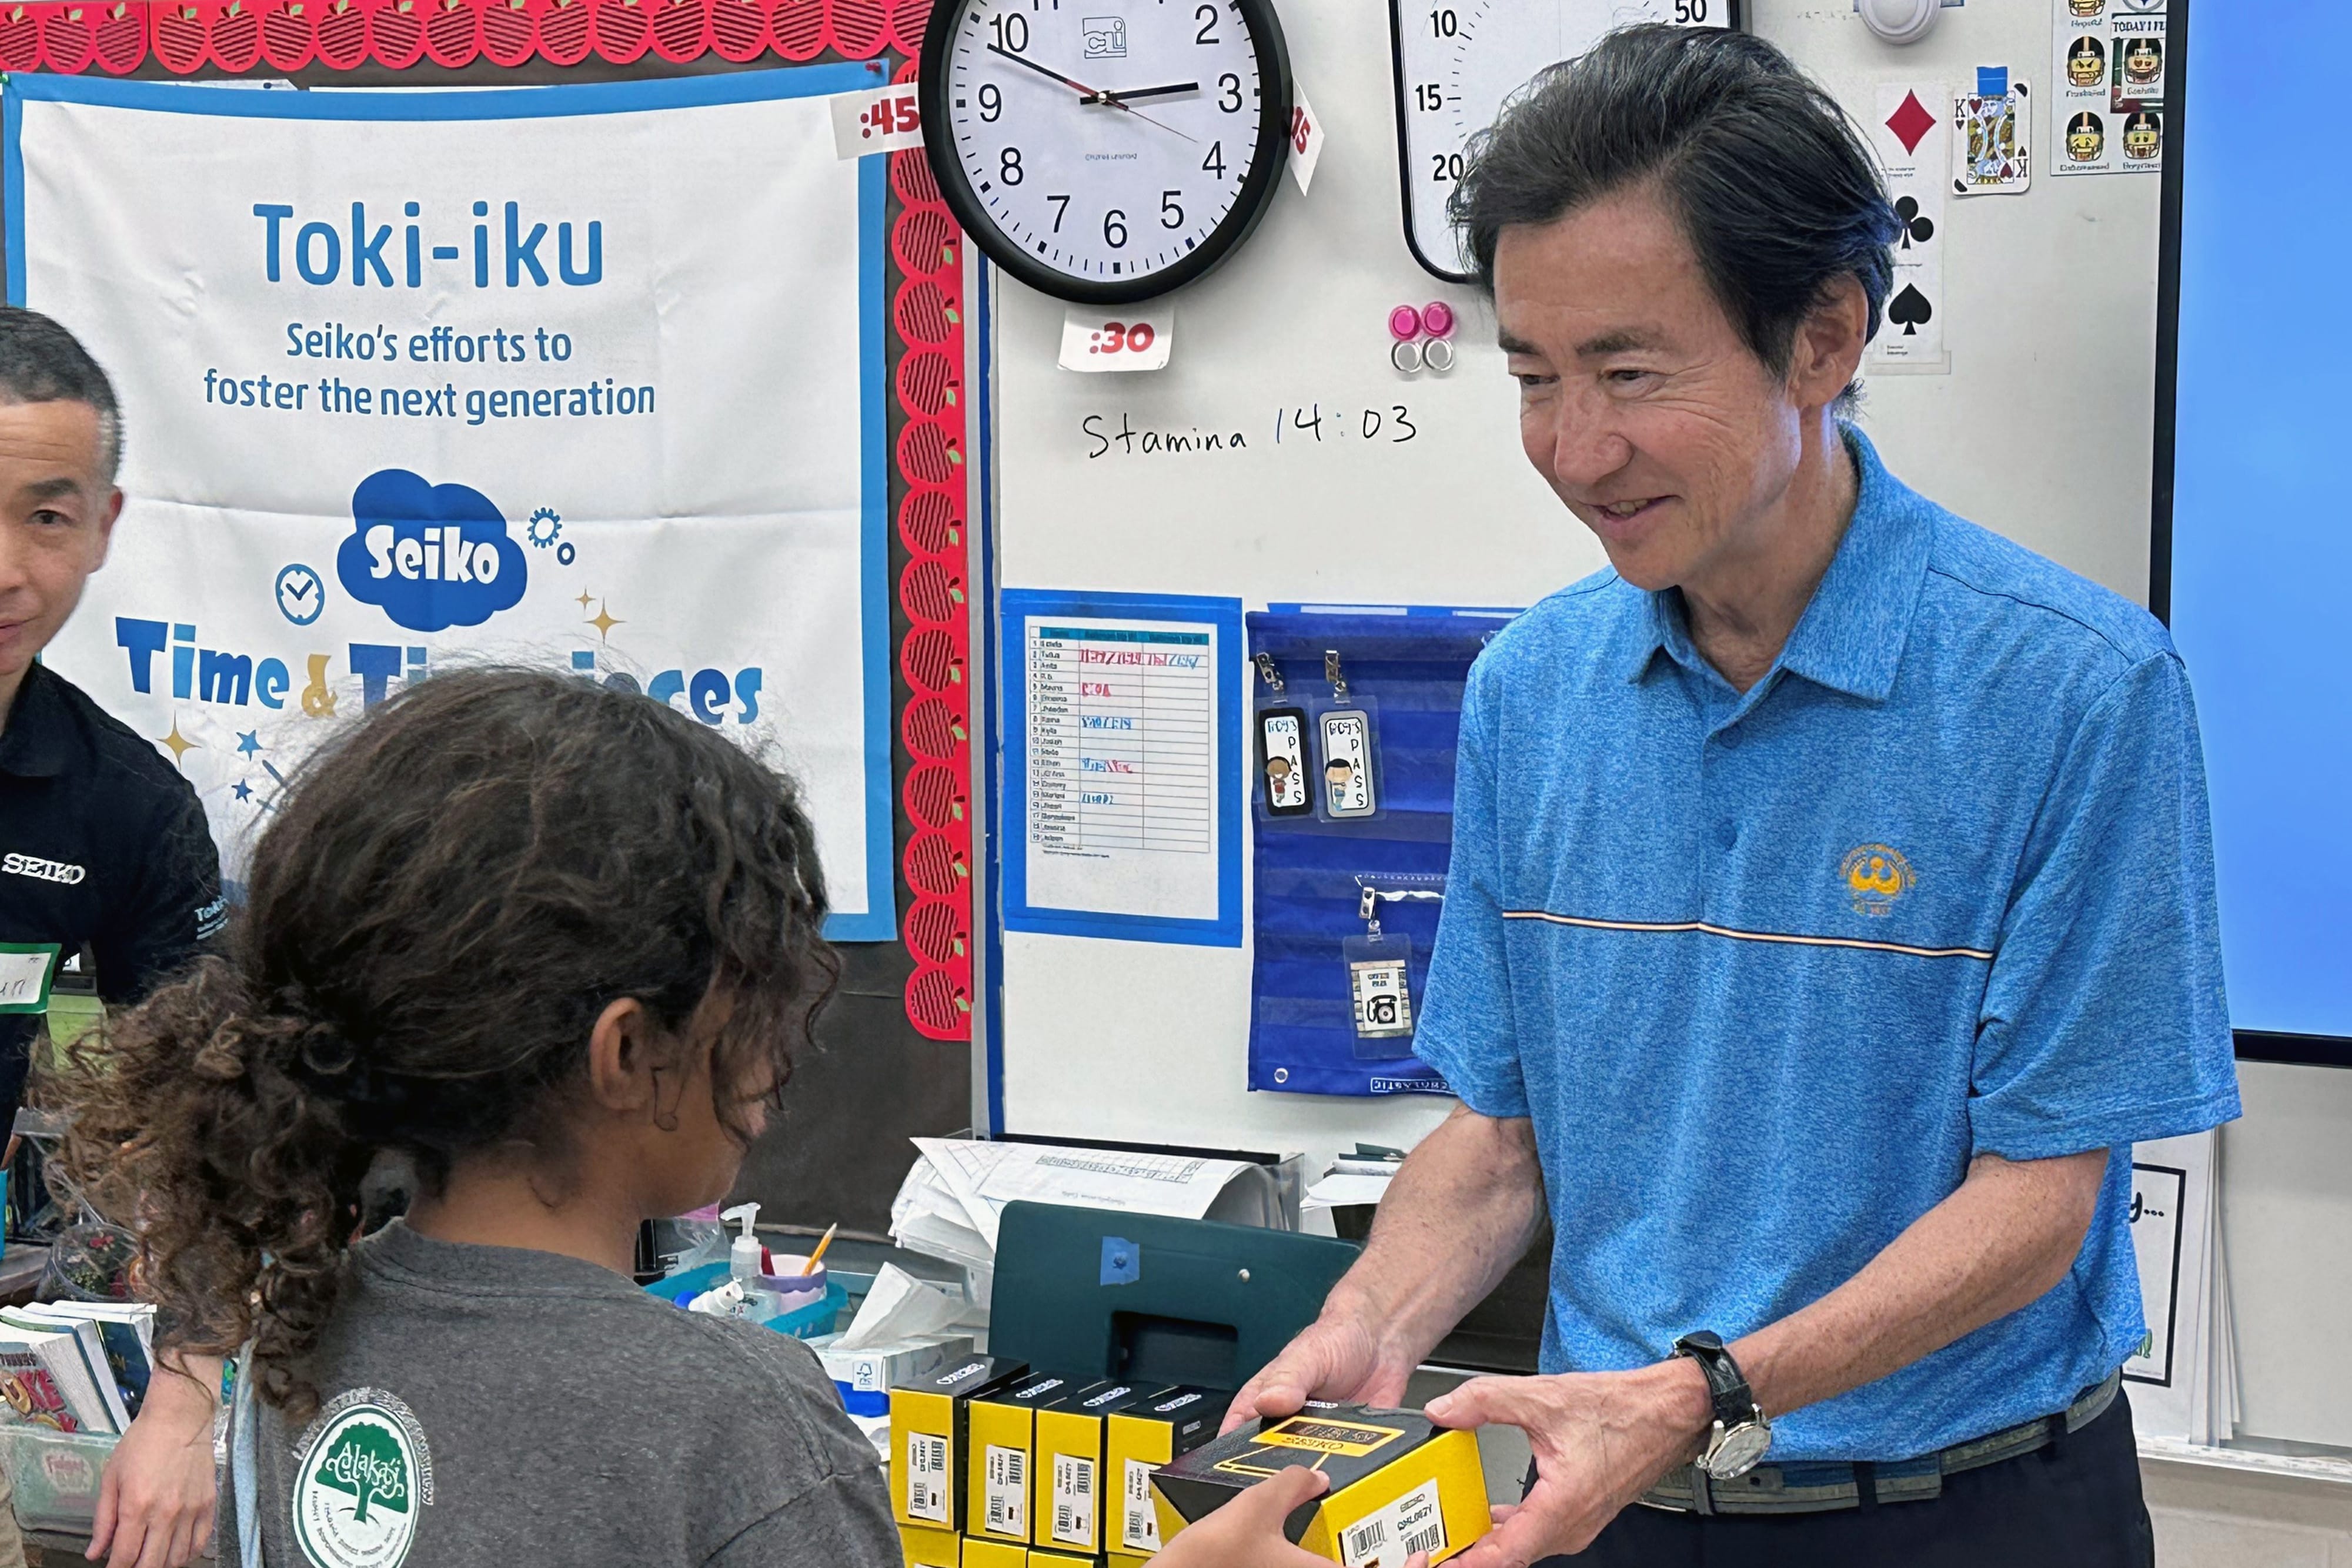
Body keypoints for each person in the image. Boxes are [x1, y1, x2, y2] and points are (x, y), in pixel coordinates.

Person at [1231, 28, 2237, 1568]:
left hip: (1970, 1513)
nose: (1577, 448)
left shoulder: (2075, 690)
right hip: (1619, 1503)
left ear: (1825, 336)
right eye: (1535, 377)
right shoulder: (1535, 691)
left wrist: (1707, 1389)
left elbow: (2041, 1199)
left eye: (1632, 373)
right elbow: (1500, 1140)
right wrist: (1371, 1320)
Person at [51, 668, 1411, 1568]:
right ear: (630, 1049)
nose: (781, 1050)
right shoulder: (729, 1421)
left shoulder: (292, 1349)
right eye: (758, 990)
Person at [0, 306, 223, 1568]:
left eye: (45, 513)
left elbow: (213, 1113)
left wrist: (182, 1400)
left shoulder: (125, 809)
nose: (6, 570)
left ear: (103, 525)